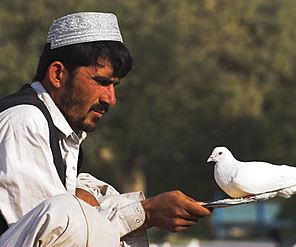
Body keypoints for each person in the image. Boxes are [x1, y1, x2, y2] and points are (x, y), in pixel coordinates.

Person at [0, 12, 212, 246]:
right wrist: (144, 213)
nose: (111, 99)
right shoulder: (24, 120)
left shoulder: (61, 131)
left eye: (114, 85)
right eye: (101, 82)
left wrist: (89, 199)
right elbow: (53, 228)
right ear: (58, 74)